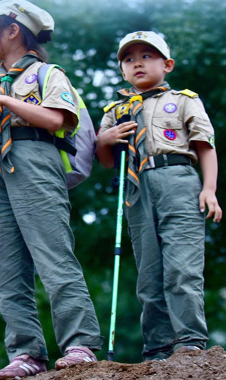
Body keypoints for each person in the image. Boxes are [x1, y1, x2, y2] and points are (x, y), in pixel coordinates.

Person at [0, 0, 103, 380]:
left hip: (36, 158)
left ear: (12, 30)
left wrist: (6, 99)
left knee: (53, 254)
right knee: (6, 269)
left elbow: (58, 119)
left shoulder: (46, 74)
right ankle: (26, 353)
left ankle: (80, 343)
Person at [96, 31, 222, 361]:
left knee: (182, 266)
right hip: (137, 187)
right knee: (149, 272)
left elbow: (204, 146)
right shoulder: (116, 110)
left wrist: (209, 189)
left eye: (147, 56)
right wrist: (104, 138)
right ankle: (157, 346)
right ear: (122, 70)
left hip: (178, 178)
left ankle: (189, 341)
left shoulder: (183, 100)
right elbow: (108, 161)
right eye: (129, 59)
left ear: (167, 64)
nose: (137, 63)